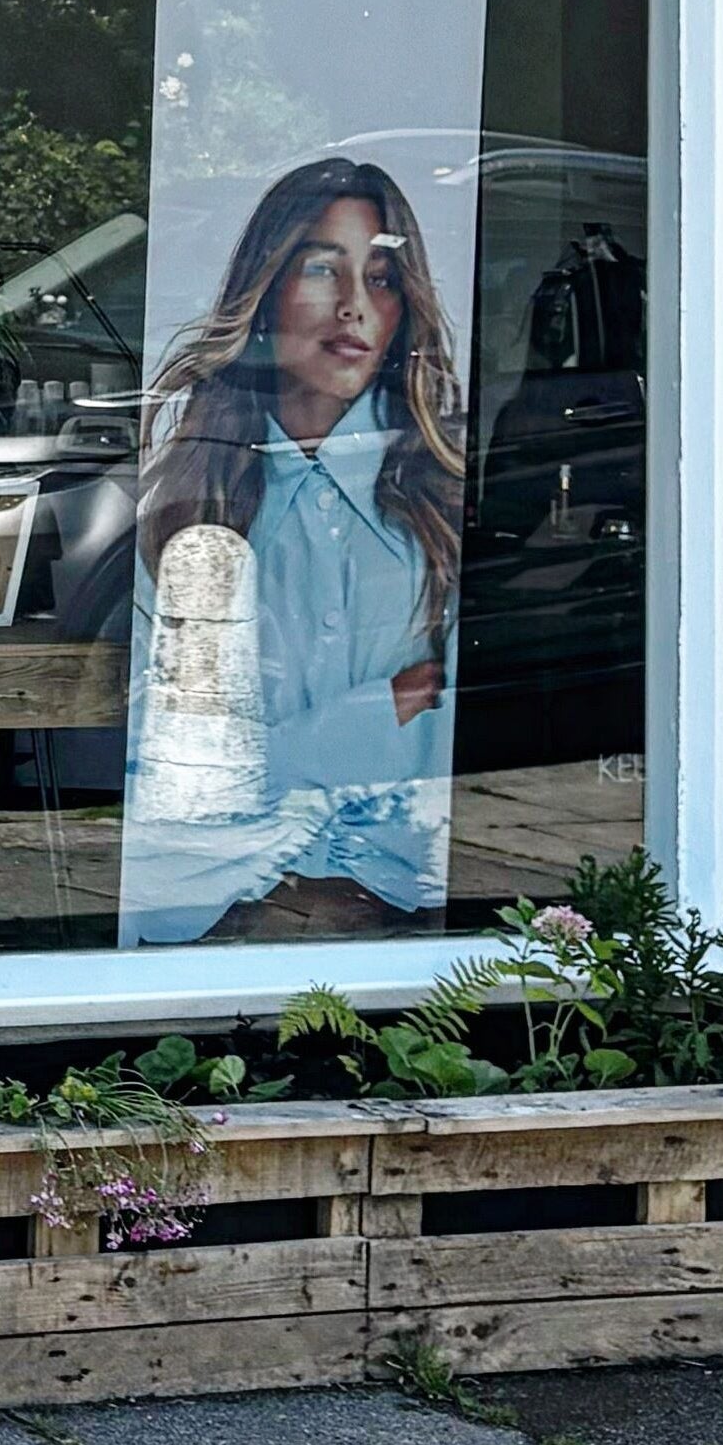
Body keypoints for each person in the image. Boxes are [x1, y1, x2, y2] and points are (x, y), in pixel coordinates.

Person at [124, 157, 470, 943]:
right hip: (214, 913)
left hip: (405, 923)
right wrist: (381, 707)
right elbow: (183, 769)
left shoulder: (441, 511)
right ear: (265, 290)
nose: (353, 305)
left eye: (381, 278)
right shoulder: (192, 510)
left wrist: (283, 745)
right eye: (322, 267)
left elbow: (460, 739)